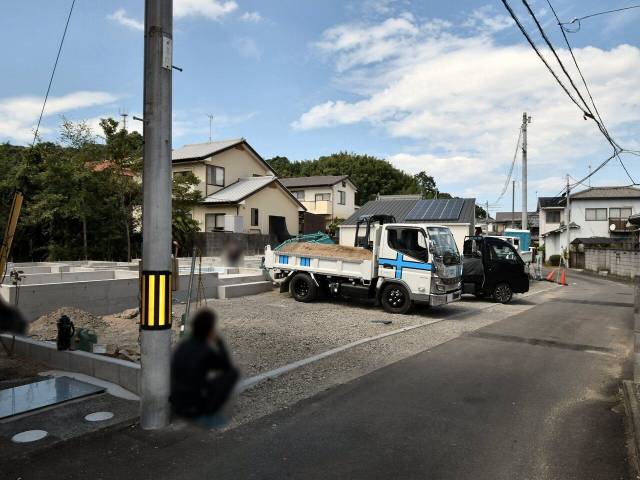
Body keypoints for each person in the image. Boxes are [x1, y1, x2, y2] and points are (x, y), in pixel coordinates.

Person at [170, 308, 239, 425]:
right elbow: (226, 366)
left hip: (176, 401)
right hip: (193, 406)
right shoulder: (205, 350)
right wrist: (219, 342)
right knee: (232, 374)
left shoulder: (183, 346)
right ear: (209, 330)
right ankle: (207, 411)